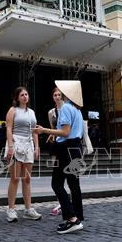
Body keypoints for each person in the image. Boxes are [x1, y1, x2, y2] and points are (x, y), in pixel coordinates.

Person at [34, 81, 85, 234]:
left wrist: (44, 130)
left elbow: (65, 132)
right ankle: (77, 217)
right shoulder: (77, 109)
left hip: (66, 149)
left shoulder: (65, 108)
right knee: (74, 184)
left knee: (56, 184)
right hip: (75, 149)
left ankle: (72, 219)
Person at [4, 86, 43, 223]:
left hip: (29, 144)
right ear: (17, 97)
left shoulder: (32, 112)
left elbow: (34, 130)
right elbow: (8, 128)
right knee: (15, 178)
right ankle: (11, 209)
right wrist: (10, 146)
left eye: (26, 94)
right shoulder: (13, 110)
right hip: (16, 142)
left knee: (27, 179)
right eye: (22, 95)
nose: (25, 97)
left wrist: (37, 147)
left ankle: (28, 209)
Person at [47, 88, 62, 217]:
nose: (57, 97)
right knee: (57, 176)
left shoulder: (67, 109)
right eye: (55, 95)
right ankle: (61, 202)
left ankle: (67, 203)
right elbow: (53, 128)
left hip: (67, 145)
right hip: (57, 145)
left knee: (69, 175)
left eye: (59, 95)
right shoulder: (51, 112)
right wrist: (51, 135)